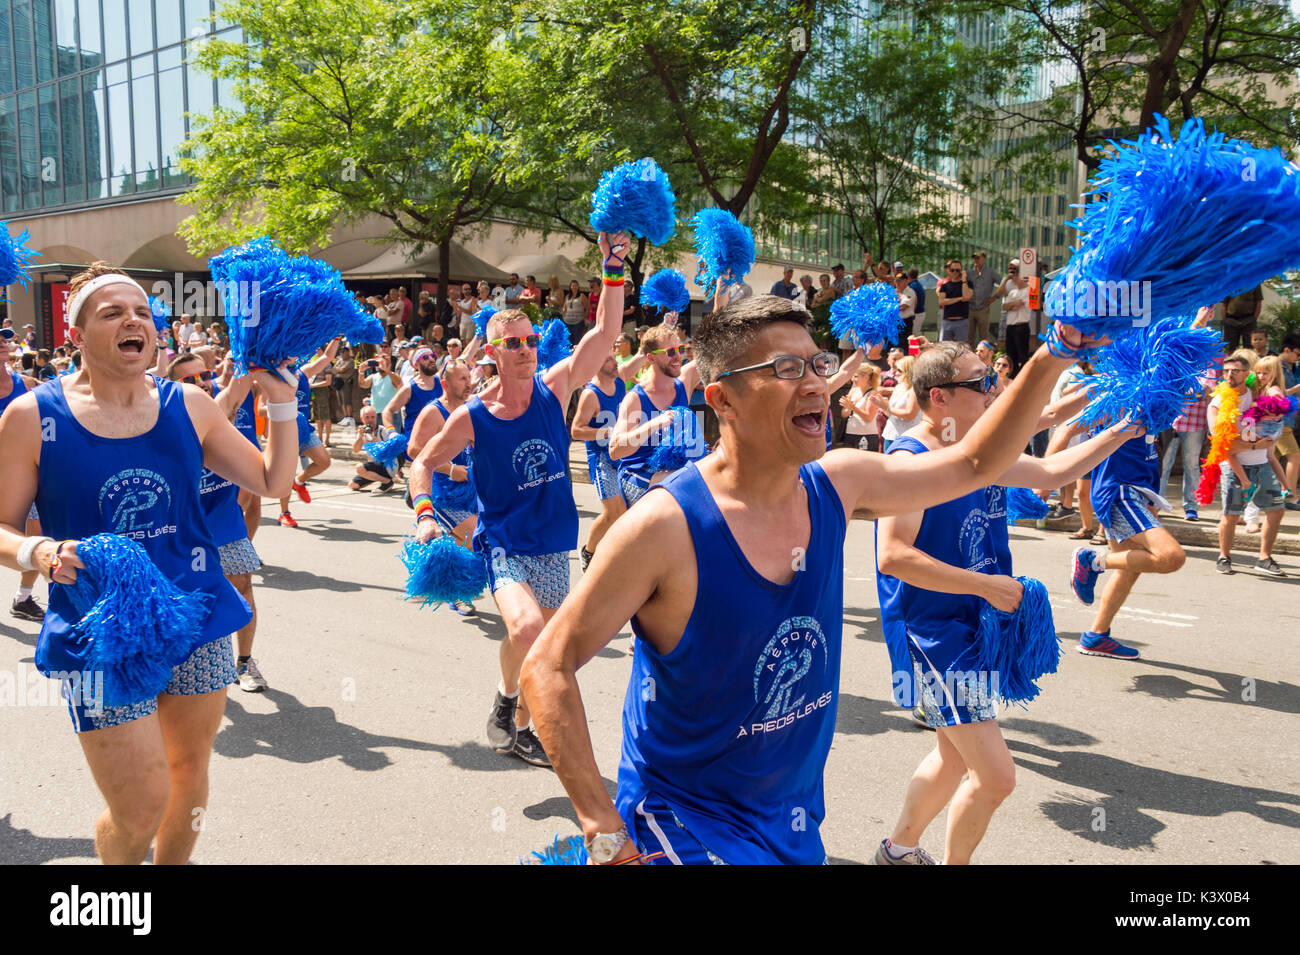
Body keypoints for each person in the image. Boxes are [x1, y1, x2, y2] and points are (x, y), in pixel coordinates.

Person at [519, 294, 1101, 864]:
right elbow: (547, 664)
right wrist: (601, 829)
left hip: (792, 820)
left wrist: (1057, 350)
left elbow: (975, 463)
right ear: (723, 400)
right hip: (683, 821)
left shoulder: (839, 482)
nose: (818, 384)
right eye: (786, 369)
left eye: (818, 365)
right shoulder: (663, 526)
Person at [0, 262, 297, 864]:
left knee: (187, 777)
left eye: (141, 312)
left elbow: (272, 481)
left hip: (197, 617)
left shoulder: (189, 404)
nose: (133, 320)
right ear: (77, 335)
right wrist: (41, 551)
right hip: (98, 632)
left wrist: (285, 404)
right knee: (139, 807)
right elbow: (1, 526)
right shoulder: (32, 417)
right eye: (111, 313)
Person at [873, 342, 1133, 865]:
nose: (995, 388)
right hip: (934, 633)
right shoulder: (910, 460)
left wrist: (1123, 428)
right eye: (982, 382)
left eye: (993, 377)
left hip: (974, 624)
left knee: (951, 756)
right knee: (996, 778)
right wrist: (985, 585)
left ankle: (897, 851)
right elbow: (893, 556)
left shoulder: (979, 451)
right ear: (940, 397)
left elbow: (1051, 474)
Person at [409, 230, 629, 768]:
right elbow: (422, 462)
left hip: (554, 538)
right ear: (491, 353)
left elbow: (605, 332)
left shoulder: (555, 387)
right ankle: (537, 725)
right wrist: (424, 515)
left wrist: (613, 266)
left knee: (539, 644)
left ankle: (512, 710)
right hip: (504, 541)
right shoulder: (472, 417)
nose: (527, 350)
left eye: (531, 341)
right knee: (529, 630)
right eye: (514, 344)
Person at [166, 353, 268, 692]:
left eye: (204, 375)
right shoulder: (170, 420)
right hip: (183, 531)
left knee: (243, 586)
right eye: (189, 380)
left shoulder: (223, 410)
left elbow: (239, 385)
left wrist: (257, 347)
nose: (200, 383)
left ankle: (244, 662)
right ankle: (184, 666)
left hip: (225, 522)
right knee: (187, 602)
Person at [1208, 351, 1288, 575]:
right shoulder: (1218, 404)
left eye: (1235, 370)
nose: (1229, 374)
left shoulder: (1258, 393)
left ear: (1247, 374)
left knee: (1277, 510)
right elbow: (1224, 444)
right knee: (1231, 515)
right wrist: (1252, 446)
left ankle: (1264, 557)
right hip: (1236, 467)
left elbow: (1273, 418)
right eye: (1226, 371)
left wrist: (1263, 443)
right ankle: (1224, 556)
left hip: (1262, 464)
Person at [608, 324, 702, 507]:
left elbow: (711, 352)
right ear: (650, 358)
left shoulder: (684, 382)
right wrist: (654, 424)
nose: (678, 356)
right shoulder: (636, 398)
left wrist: (719, 303)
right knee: (685, 481)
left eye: (680, 349)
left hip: (673, 472)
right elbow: (615, 450)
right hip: (637, 475)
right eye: (670, 351)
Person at [0, 327, 45, 621]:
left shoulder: (26, 385)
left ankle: (23, 598)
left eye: (4, 338)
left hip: (22, 476)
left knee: (35, 534)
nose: (2, 342)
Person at [571, 348, 627, 569]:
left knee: (626, 512)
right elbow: (576, 430)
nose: (615, 363)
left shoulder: (620, 384)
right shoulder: (590, 395)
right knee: (613, 512)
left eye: (614, 358)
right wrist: (604, 432)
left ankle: (616, 555)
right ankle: (589, 551)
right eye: (609, 359)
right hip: (602, 458)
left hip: (621, 453)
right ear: (596, 365)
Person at [277, 338, 340, 528]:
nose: (294, 355)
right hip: (285, 431)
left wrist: (337, 336)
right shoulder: (275, 378)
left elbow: (329, 356)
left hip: (304, 428)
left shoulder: (303, 373)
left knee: (324, 461)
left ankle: (300, 481)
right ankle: (284, 513)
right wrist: (287, 409)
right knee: (285, 474)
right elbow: (262, 408)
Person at [348, 403, 399, 494]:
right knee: (352, 485)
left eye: (372, 417)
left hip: (387, 465)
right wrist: (360, 437)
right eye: (367, 417)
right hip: (373, 466)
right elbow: (355, 450)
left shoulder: (382, 430)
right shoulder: (363, 431)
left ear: (376, 417)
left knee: (359, 467)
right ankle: (378, 478)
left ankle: (387, 482)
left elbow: (392, 451)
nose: (370, 420)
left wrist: (377, 445)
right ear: (362, 419)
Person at [995, 260, 1031, 375]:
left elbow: (1021, 304)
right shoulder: (1012, 292)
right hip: (1010, 326)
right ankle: (1013, 375)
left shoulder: (1029, 291)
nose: (1013, 279)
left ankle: (1023, 376)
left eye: (1016, 277)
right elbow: (1004, 306)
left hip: (1022, 325)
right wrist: (1013, 304)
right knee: (1011, 354)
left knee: (1022, 354)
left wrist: (1013, 304)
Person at [840, 364, 883, 451]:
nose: (852, 379)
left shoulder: (873, 394)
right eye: (852, 376)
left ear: (866, 377)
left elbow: (869, 417)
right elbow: (844, 414)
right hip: (850, 433)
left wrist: (853, 407)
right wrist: (848, 408)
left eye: (856, 376)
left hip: (867, 435)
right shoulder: (853, 391)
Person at [966, 253, 998, 349]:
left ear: (984, 259)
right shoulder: (969, 273)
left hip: (983, 309)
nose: (975, 260)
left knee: (984, 337)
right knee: (968, 337)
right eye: (974, 258)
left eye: (978, 258)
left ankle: (984, 358)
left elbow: (1004, 283)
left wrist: (995, 297)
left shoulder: (990, 272)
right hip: (970, 308)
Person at [937, 260, 973, 343]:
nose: (955, 272)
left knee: (962, 348)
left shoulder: (968, 284)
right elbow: (941, 301)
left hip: (962, 321)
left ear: (961, 271)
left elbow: (967, 296)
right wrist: (959, 299)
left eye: (958, 270)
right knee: (944, 348)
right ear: (949, 270)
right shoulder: (945, 286)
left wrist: (964, 280)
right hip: (947, 321)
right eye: (953, 270)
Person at [1221, 285, 1263, 352]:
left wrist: (1254, 318)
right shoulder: (1231, 281)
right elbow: (1224, 304)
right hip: (1231, 319)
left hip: (1248, 319)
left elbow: (1258, 302)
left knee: (1249, 347)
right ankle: (1230, 361)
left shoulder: (1255, 282)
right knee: (1229, 347)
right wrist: (1225, 320)